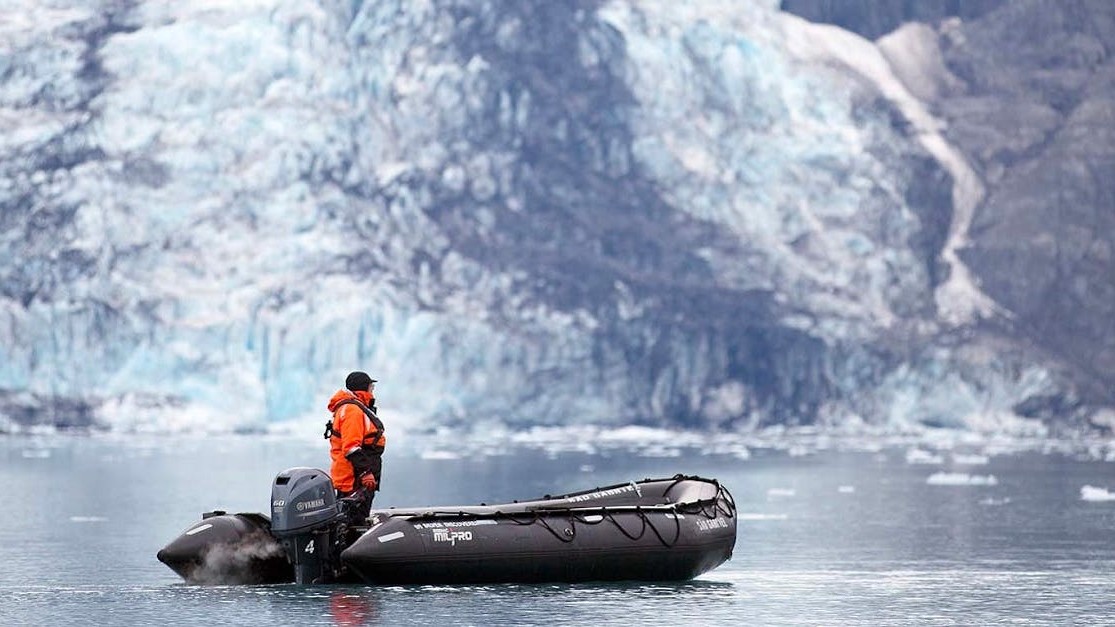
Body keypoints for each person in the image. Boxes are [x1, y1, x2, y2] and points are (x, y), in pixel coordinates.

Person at [325, 371, 386, 522]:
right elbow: (351, 448)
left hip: (354, 478)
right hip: (354, 480)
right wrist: (365, 473)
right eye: (370, 387)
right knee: (354, 520)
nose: (372, 391)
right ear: (362, 389)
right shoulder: (353, 411)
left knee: (350, 519)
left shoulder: (352, 408)